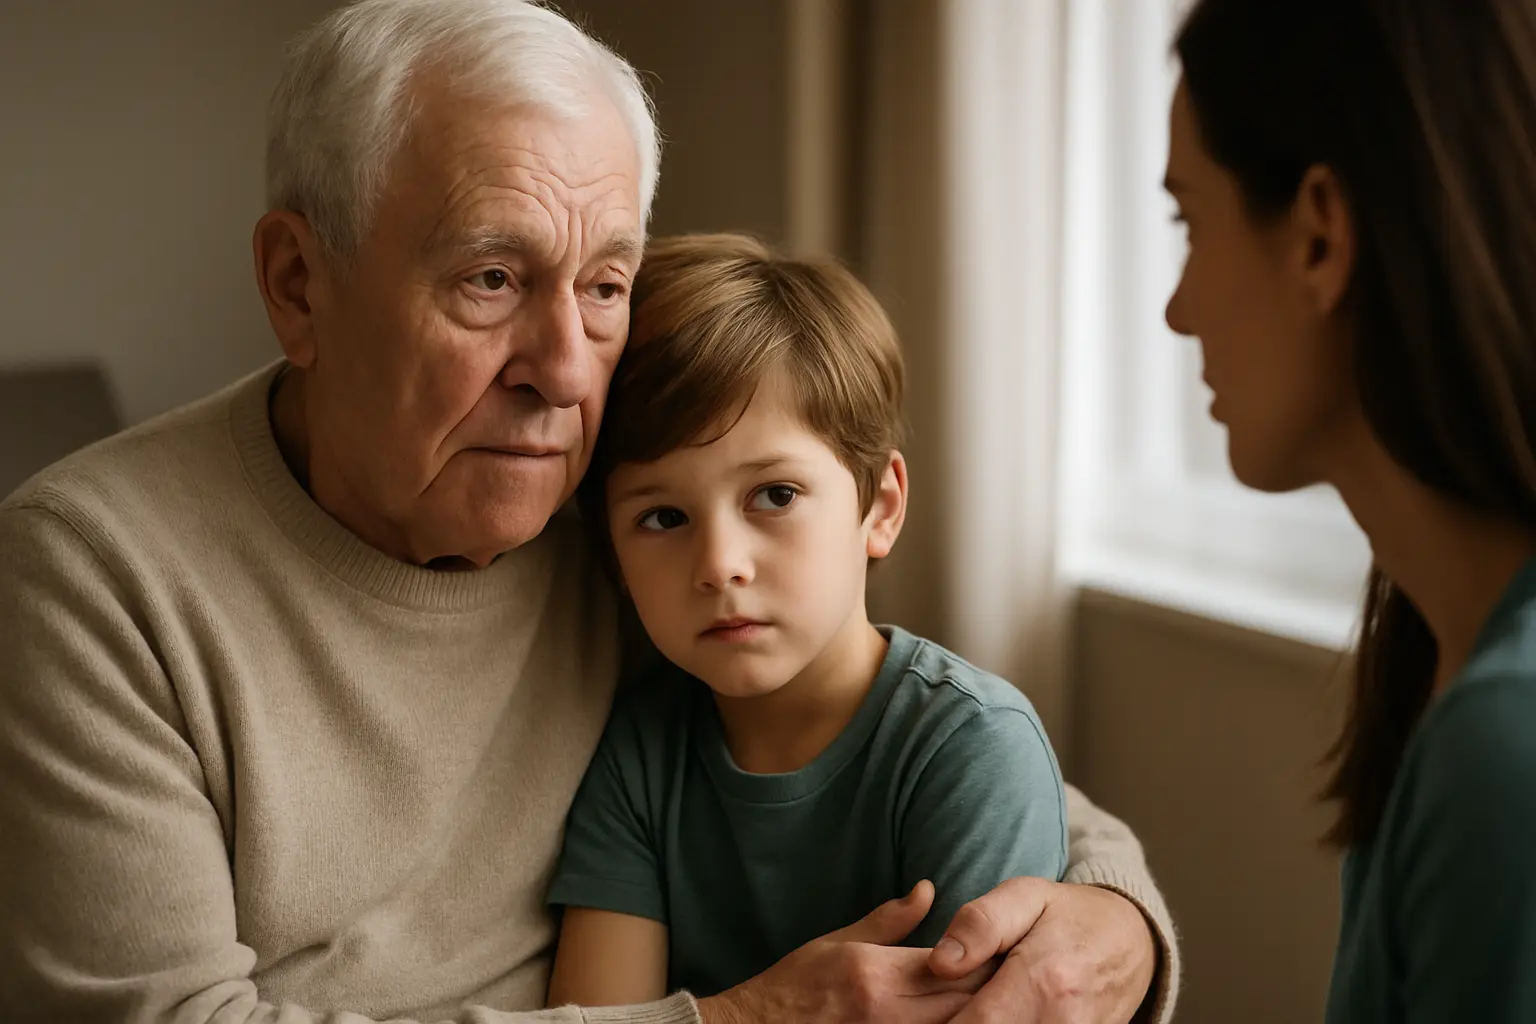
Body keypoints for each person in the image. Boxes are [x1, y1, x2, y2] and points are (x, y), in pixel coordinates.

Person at [0, 1, 1177, 1022]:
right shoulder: (92, 577)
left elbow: (939, 740)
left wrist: (1119, 918)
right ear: (299, 286)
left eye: (605, 285)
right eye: (492, 278)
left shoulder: (622, 502)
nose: (564, 368)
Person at [542, 234, 1068, 1008]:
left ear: (879, 506)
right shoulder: (640, 756)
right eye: (663, 516)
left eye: (775, 495)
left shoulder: (971, 752)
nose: (721, 564)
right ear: (613, 556)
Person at [1164, 1, 1536, 1020]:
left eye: (1189, 222)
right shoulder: (1437, 639)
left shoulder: (1507, 745)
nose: (1177, 306)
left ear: (1322, 235)